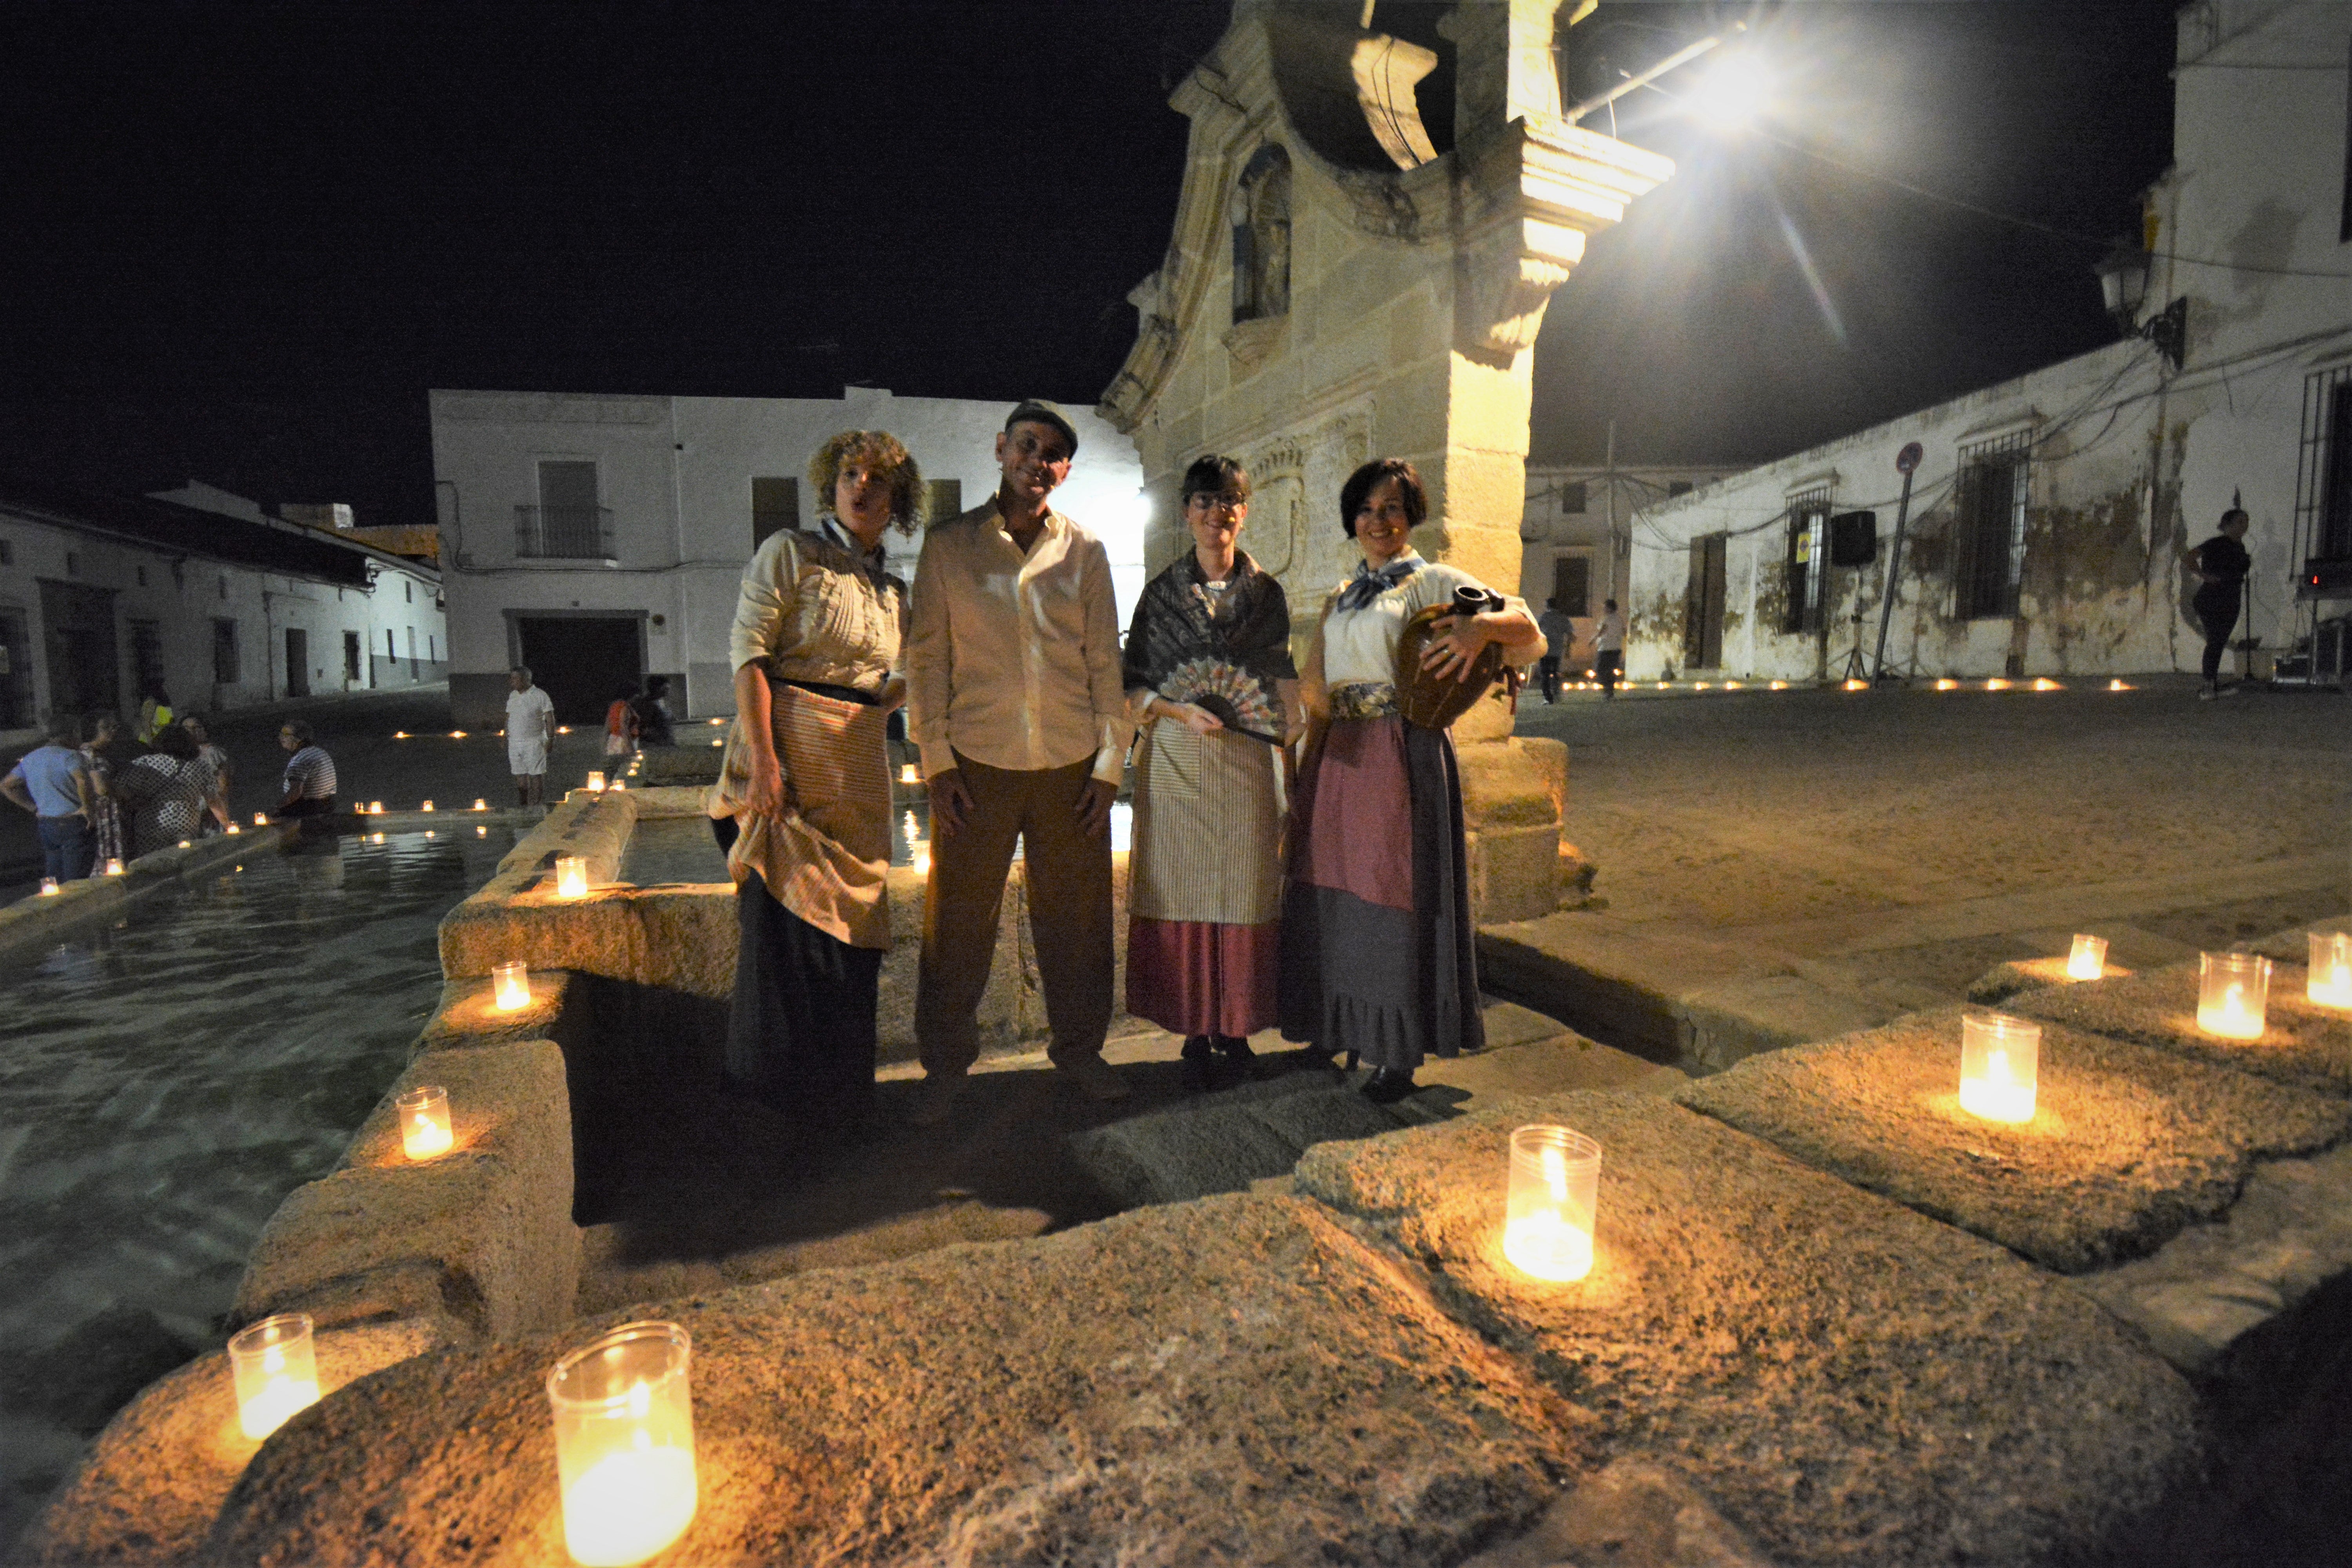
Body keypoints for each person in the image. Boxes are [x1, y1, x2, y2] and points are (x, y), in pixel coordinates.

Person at [1279, 458, 1544, 1103]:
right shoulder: (1343, 595)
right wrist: (1298, 757)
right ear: (1352, 519)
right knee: (1330, 891)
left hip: (1400, 750)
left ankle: (1396, 1052)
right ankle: (1333, 1026)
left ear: (1411, 516)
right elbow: (1315, 684)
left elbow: (1528, 630)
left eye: (1392, 508)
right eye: (1367, 510)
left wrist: (1480, 627)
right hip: (1339, 751)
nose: (1379, 521)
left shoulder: (1435, 582)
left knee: (1390, 894)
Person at [906, 399, 1134, 1121]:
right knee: (957, 922)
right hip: (976, 762)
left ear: (1065, 472)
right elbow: (927, 660)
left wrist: (1109, 769)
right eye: (1029, 445)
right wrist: (937, 763)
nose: (1039, 461)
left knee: (1079, 921)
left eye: (1055, 454)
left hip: (1071, 763)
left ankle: (1081, 1050)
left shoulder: (1085, 551)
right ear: (1002, 448)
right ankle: (946, 1066)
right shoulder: (950, 547)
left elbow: (1105, 664)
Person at [706, 429, 918, 1138]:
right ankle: (780, 1117)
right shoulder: (789, 553)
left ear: (898, 499)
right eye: (851, 474)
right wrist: (767, 764)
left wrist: (883, 701)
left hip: (855, 776)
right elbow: (748, 656)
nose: (862, 487)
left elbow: (895, 680)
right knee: (787, 945)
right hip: (787, 770)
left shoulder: (894, 591)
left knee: (849, 945)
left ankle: (843, 1106)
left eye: (878, 479)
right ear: (831, 483)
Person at [1122, 454, 1299, 1089]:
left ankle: (1238, 1025)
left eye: (1228, 502)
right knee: (1183, 888)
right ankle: (1195, 1025)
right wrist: (1178, 710)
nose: (1216, 513)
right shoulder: (1161, 595)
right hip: (1179, 754)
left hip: (1247, 755)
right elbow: (1134, 682)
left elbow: (1278, 682)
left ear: (1243, 513)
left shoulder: (1266, 594)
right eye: (1204, 501)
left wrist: (1292, 762)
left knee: (1247, 884)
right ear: (1187, 512)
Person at [3, 713, 96, 881]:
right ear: (72, 733)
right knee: (76, 879)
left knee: (54, 877)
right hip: (73, 822)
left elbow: (6, 785)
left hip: (47, 824)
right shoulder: (70, 756)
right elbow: (82, 780)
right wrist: (87, 808)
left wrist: (33, 808)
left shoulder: (31, 758)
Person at [114, 724, 217, 857]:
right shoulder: (200, 766)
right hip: (187, 822)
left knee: (154, 862)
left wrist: (134, 801)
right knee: (185, 860)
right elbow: (213, 799)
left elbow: (119, 786)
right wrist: (227, 824)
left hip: (152, 823)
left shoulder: (146, 763)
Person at [2187, 507, 2252, 699]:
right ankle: (2208, 686)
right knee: (2216, 640)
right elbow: (2190, 557)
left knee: (2219, 640)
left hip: (2231, 596)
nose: (2245, 526)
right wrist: (2204, 576)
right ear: (2228, 525)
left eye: (2246, 522)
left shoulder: (2239, 547)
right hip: (2213, 597)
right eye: (2240, 522)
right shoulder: (2217, 543)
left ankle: (2212, 684)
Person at [505, 666, 557, 805]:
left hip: (534, 742)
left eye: (515, 678)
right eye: (511, 678)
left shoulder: (540, 695)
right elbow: (509, 717)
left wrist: (551, 739)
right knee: (519, 774)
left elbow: (550, 719)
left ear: (526, 679)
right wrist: (506, 735)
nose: (512, 681)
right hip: (515, 743)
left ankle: (536, 805)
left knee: (536, 774)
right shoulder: (513, 696)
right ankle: (523, 804)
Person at [82, 714, 128, 867]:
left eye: (115, 727)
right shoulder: (91, 754)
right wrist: (125, 794)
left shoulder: (101, 752)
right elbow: (101, 788)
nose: (113, 731)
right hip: (104, 811)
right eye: (106, 728)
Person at [274, 720, 338, 820]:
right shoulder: (319, 752)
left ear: (298, 739)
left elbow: (295, 792)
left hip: (308, 807)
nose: (281, 737)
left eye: (285, 734)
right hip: (328, 803)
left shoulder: (300, 760)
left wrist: (276, 808)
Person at [180, 714, 233, 832]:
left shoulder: (213, 753)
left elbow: (222, 786)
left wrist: (211, 809)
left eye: (196, 728)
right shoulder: (181, 755)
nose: (191, 732)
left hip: (211, 812)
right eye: (186, 728)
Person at [1536, 598, 1573, 703]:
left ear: (1547, 606)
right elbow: (1570, 634)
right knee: (1556, 672)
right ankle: (1556, 694)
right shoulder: (1563, 618)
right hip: (1557, 650)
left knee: (1545, 674)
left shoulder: (1544, 617)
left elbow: (1535, 630)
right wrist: (1568, 650)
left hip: (1546, 650)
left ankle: (1548, 697)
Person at [1593, 597, 1627, 698]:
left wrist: (1593, 640)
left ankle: (1607, 688)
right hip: (1616, 648)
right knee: (1611, 670)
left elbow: (1601, 631)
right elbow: (1624, 632)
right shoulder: (1619, 619)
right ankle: (1609, 691)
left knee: (1600, 669)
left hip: (1605, 648)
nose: (1603, 610)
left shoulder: (1607, 619)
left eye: (1605, 608)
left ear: (1609, 608)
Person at [632, 675, 675, 748]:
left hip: (665, 741)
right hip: (655, 744)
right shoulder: (647, 704)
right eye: (666, 689)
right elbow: (644, 727)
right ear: (658, 689)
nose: (668, 691)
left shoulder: (661, 702)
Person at [604, 686, 639, 765]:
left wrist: (605, 744)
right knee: (626, 766)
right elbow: (624, 728)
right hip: (623, 742)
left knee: (614, 765)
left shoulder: (614, 706)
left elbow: (608, 726)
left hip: (613, 740)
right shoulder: (625, 707)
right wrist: (631, 749)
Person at [135, 682, 174, 746]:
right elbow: (146, 722)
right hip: (152, 741)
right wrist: (150, 742)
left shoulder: (165, 705)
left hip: (163, 740)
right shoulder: (151, 702)